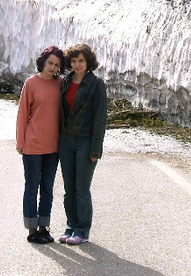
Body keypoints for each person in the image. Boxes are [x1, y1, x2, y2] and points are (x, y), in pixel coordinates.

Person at [58, 43, 108, 245]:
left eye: (81, 60)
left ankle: (82, 231)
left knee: (82, 188)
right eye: (73, 60)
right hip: (65, 140)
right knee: (69, 188)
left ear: (88, 62)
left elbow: (100, 119)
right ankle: (71, 226)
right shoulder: (65, 82)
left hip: (85, 141)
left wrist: (96, 149)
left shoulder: (96, 85)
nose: (77, 64)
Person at [16, 45, 65, 244]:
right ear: (43, 62)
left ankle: (44, 227)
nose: (52, 67)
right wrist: (20, 142)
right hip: (33, 145)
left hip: (53, 146)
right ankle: (32, 229)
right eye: (50, 63)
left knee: (47, 188)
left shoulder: (61, 83)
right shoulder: (31, 83)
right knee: (31, 187)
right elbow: (22, 115)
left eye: (56, 65)